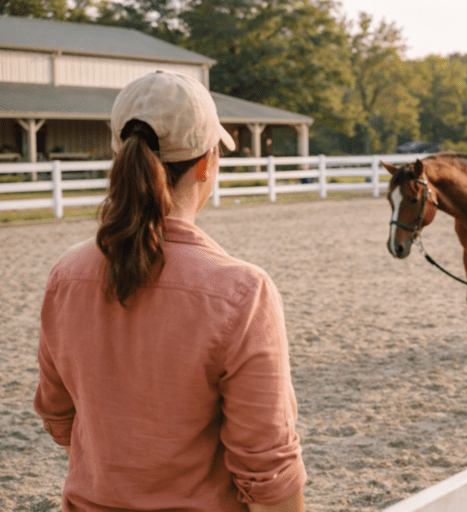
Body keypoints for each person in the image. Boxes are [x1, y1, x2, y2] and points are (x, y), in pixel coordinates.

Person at [34, 70, 306, 511]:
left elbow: (58, 413)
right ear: (206, 163)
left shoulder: (67, 275)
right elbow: (267, 468)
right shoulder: (242, 292)